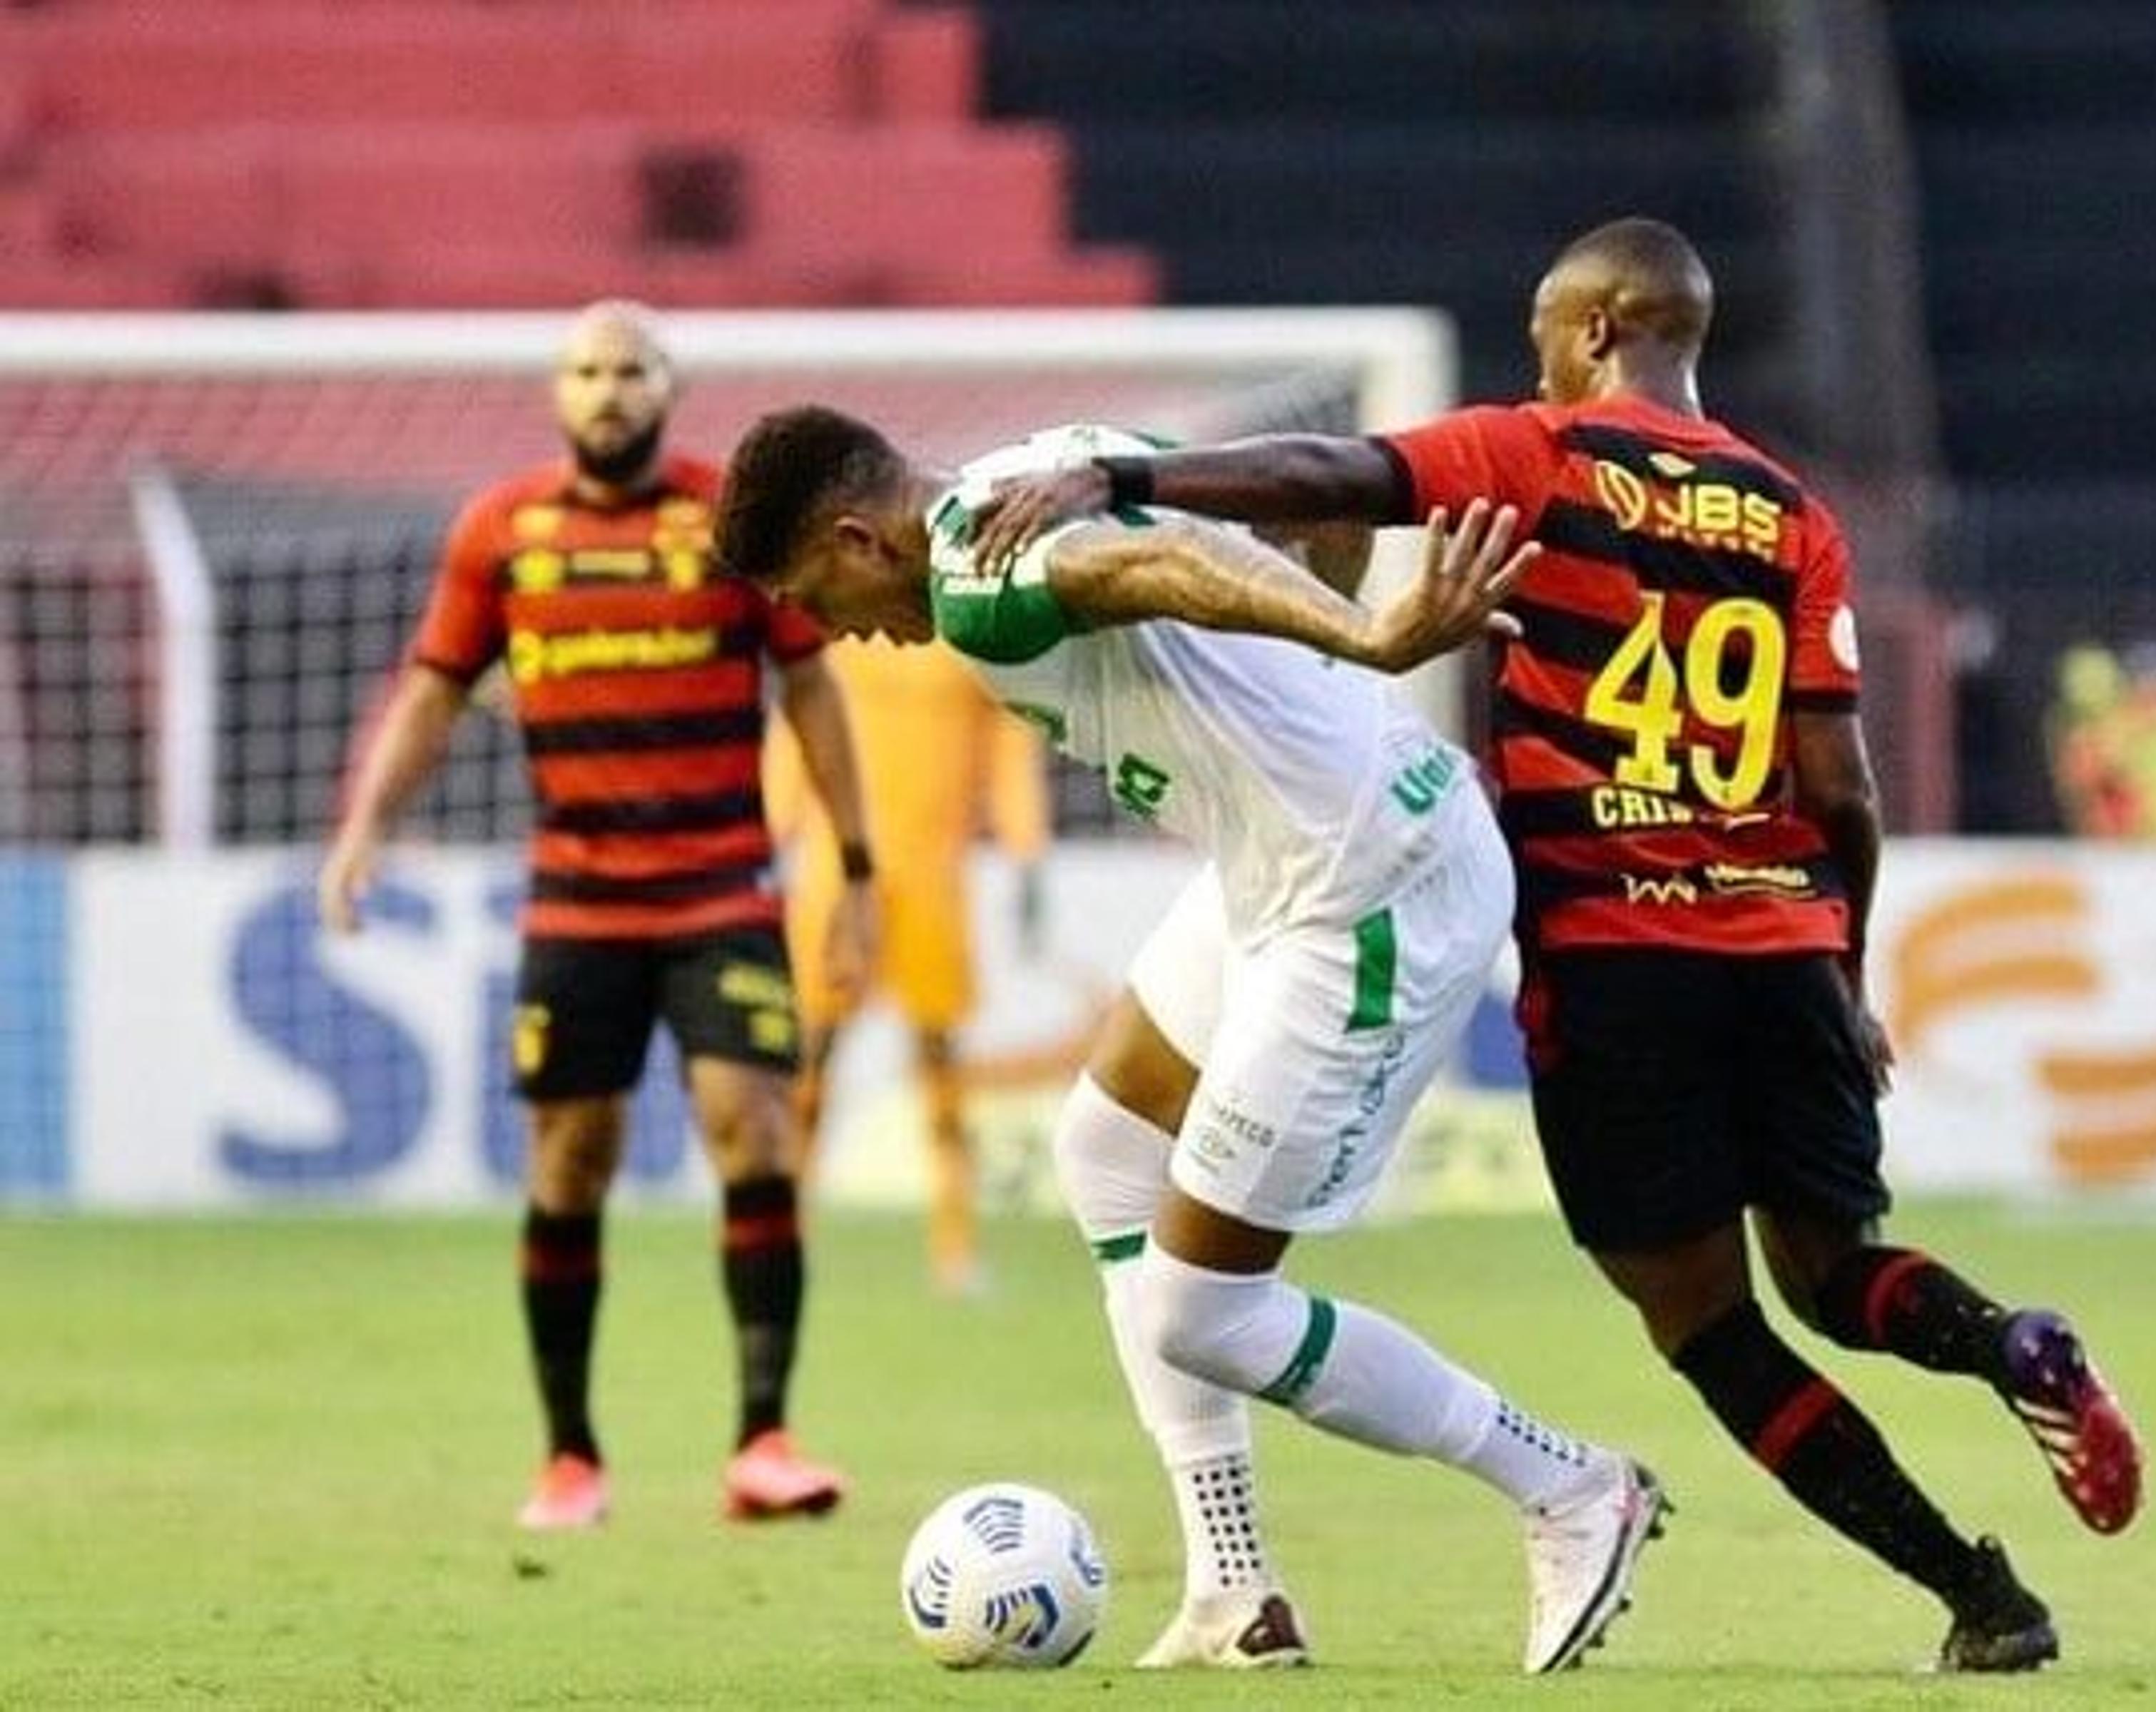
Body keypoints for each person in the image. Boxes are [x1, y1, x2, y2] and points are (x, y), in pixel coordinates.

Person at [967, 217, 2147, 1673]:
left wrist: (1124, 479)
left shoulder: (1545, 454)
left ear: (1596, 329)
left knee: (1711, 1330)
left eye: (1543, 340)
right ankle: (2010, 1344)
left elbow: (1345, 475)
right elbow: (1841, 791)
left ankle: (1985, 1597)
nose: (1537, 364)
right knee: (1840, 1277)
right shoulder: (1794, 515)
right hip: (1782, 947)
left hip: (1615, 955)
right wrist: (1846, 982)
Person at [711, 412, 1664, 1674]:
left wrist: (1361, 636)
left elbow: (1147, 570)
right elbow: (1306, 488)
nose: (833, 630)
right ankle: (1231, 1588)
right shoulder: (1048, 457)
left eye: (812, 595)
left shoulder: (976, 576)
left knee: (1199, 1315)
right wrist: (1325, 663)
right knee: (1106, 1148)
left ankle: (1570, 1485)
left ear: (852, 535)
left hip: (1368, 896)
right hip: (1282, 870)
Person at [317, 301, 878, 1532]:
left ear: (667, 385)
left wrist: (856, 863)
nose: (609, 389)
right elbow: (432, 694)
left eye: (630, 369)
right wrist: (363, 830)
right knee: (571, 1160)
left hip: (725, 884)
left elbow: (813, 692)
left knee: (757, 1134)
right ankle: (569, 1457)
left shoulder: (724, 523)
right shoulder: (502, 531)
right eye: (588, 370)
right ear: (557, 392)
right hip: (578, 900)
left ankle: (764, 1440)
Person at [764, 638, 1052, 1295]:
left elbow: (1010, 747)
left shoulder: (970, 639)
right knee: (810, 1060)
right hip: (837, 874)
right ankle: (784, 1236)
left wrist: (1026, 847)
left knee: (941, 1068)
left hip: (931, 879)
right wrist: (769, 827)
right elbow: (797, 720)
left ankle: (955, 1248)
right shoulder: (836, 625)